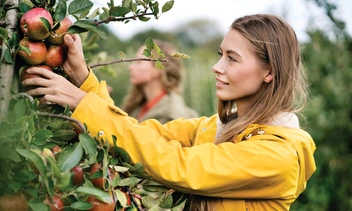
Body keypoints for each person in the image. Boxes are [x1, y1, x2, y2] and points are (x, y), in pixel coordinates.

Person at [23, 14, 316, 211]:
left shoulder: (277, 156)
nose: (217, 66)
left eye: (232, 58)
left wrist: (83, 104)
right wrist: (84, 81)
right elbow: (142, 134)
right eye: (220, 54)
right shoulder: (216, 127)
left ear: (269, 72)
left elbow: (177, 166)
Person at [120, 40, 199, 123]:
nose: (131, 67)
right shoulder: (137, 105)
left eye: (139, 62)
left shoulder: (171, 116)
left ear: (158, 69)